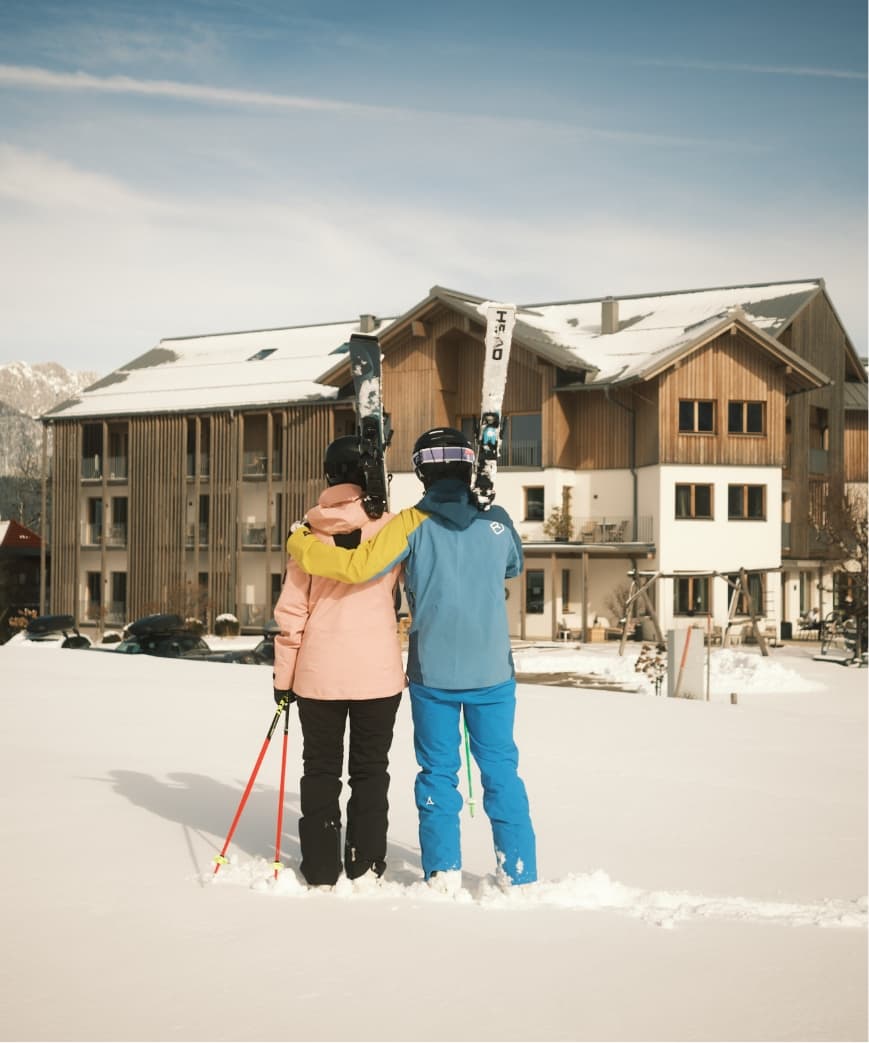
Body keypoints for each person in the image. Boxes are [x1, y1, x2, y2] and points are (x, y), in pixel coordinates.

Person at [286, 427, 536, 892]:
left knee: (439, 773)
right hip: (493, 674)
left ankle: (442, 872)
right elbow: (513, 566)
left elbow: (357, 568)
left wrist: (302, 545)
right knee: (501, 768)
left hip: (433, 674)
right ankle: (518, 872)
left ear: (422, 471)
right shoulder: (497, 519)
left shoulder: (410, 523)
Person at [273, 436, 405, 888]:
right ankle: (365, 863)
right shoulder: (390, 530)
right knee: (371, 770)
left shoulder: (306, 537)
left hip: (317, 675)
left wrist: (283, 679)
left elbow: (292, 613)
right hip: (377, 673)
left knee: (320, 771)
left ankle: (320, 866)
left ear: (329, 477)